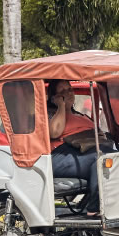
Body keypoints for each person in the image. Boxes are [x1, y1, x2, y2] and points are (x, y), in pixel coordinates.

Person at [47, 81, 99, 213]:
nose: (68, 93)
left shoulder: (83, 116)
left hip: (87, 151)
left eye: (70, 89)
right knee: (100, 160)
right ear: (54, 97)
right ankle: (94, 210)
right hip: (61, 155)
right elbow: (54, 132)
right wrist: (61, 106)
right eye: (62, 91)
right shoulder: (51, 114)